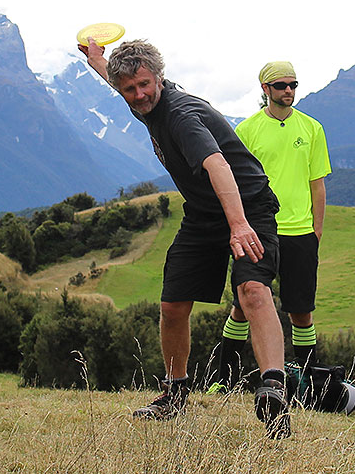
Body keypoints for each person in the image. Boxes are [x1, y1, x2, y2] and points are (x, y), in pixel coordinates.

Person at [78, 39, 290, 439]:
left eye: (144, 85)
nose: (138, 94)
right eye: (129, 89)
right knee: (173, 304)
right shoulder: (141, 98)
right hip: (203, 213)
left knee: (253, 291)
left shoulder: (180, 114)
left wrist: (240, 224)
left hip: (248, 205)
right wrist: (97, 61)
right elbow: (117, 79)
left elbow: (217, 165)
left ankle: (273, 389)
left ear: (159, 78)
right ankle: (175, 394)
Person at [211, 61, 331, 392]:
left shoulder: (312, 129)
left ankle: (309, 389)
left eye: (293, 84)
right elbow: (231, 182)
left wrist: (316, 231)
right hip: (258, 231)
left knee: (302, 312)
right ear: (265, 89)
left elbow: (317, 184)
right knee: (242, 305)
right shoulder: (246, 130)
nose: (289, 91)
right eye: (281, 85)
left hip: (300, 234)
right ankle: (226, 383)